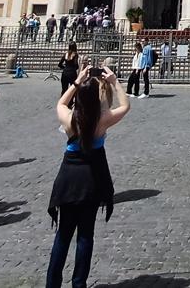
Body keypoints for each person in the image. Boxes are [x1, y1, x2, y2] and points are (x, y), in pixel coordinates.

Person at [46, 65, 131, 288]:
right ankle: (79, 283)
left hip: (68, 180)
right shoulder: (102, 120)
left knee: (63, 235)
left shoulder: (70, 118)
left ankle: (52, 284)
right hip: (91, 181)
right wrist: (114, 81)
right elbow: (125, 106)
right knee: (85, 236)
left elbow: (60, 103)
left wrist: (77, 82)